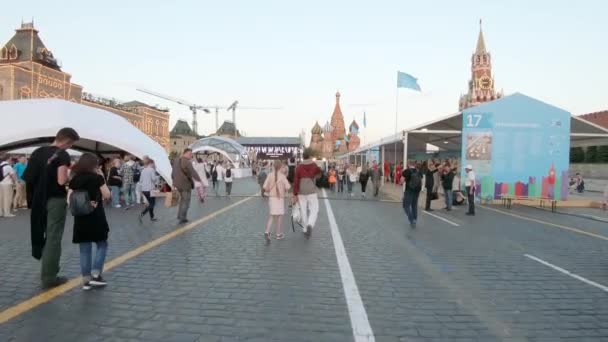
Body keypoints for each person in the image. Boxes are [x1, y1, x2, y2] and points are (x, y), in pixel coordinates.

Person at [24, 127, 80, 288]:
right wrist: (72, 173)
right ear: (67, 141)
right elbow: (61, 181)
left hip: (38, 200)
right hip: (55, 200)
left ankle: (45, 269)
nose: (69, 147)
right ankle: (49, 276)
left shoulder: (37, 152)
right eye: (70, 144)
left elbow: (28, 177)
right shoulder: (62, 154)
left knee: (40, 231)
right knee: (53, 237)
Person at [68, 153, 111, 291]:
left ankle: (86, 281)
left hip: (80, 217)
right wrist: (102, 177)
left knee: (84, 249)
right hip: (96, 216)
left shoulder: (75, 179)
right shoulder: (97, 178)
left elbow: (69, 199)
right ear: (94, 164)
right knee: (102, 244)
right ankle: (96, 274)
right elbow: (107, 195)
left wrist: (83, 204)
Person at [293, 150, 322, 238]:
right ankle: (310, 224)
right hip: (311, 191)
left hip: (301, 192)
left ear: (303, 157)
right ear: (309, 157)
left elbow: (296, 181)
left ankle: (305, 229)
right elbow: (320, 174)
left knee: (303, 210)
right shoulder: (314, 165)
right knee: (314, 209)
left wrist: (295, 193)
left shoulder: (298, 167)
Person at [263, 160, 291, 242]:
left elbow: (265, 187)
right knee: (280, 216)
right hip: (280, 199)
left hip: (271, 198)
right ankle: (278, 234)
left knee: (271, 216)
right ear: (280, 167)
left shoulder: (270, 175)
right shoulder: (282, 176)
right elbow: (288, 187)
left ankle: (267, 231)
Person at [172, 148, 201, 224]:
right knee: (186, 201)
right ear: (187, 153)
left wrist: (173, 183)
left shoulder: (176, 161)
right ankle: (183, 217)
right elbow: (193, 172)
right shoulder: (187, 162)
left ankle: (179, 215)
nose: (191, 156)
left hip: (177, 184)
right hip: (185, 185)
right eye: (190, 154)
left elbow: (172, 173)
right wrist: (199, 180)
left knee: (182, 200)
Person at [402, 161, 422, 228]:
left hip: (409, 190)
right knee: (414, 205)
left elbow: (402, 180)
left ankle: (411, 220)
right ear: (415, 165)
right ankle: (415, 219)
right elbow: (421, 180)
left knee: (406, 206)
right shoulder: (418, 171)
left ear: (409, 164)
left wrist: (403, 181)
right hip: (417, 191)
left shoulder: (406, 171)